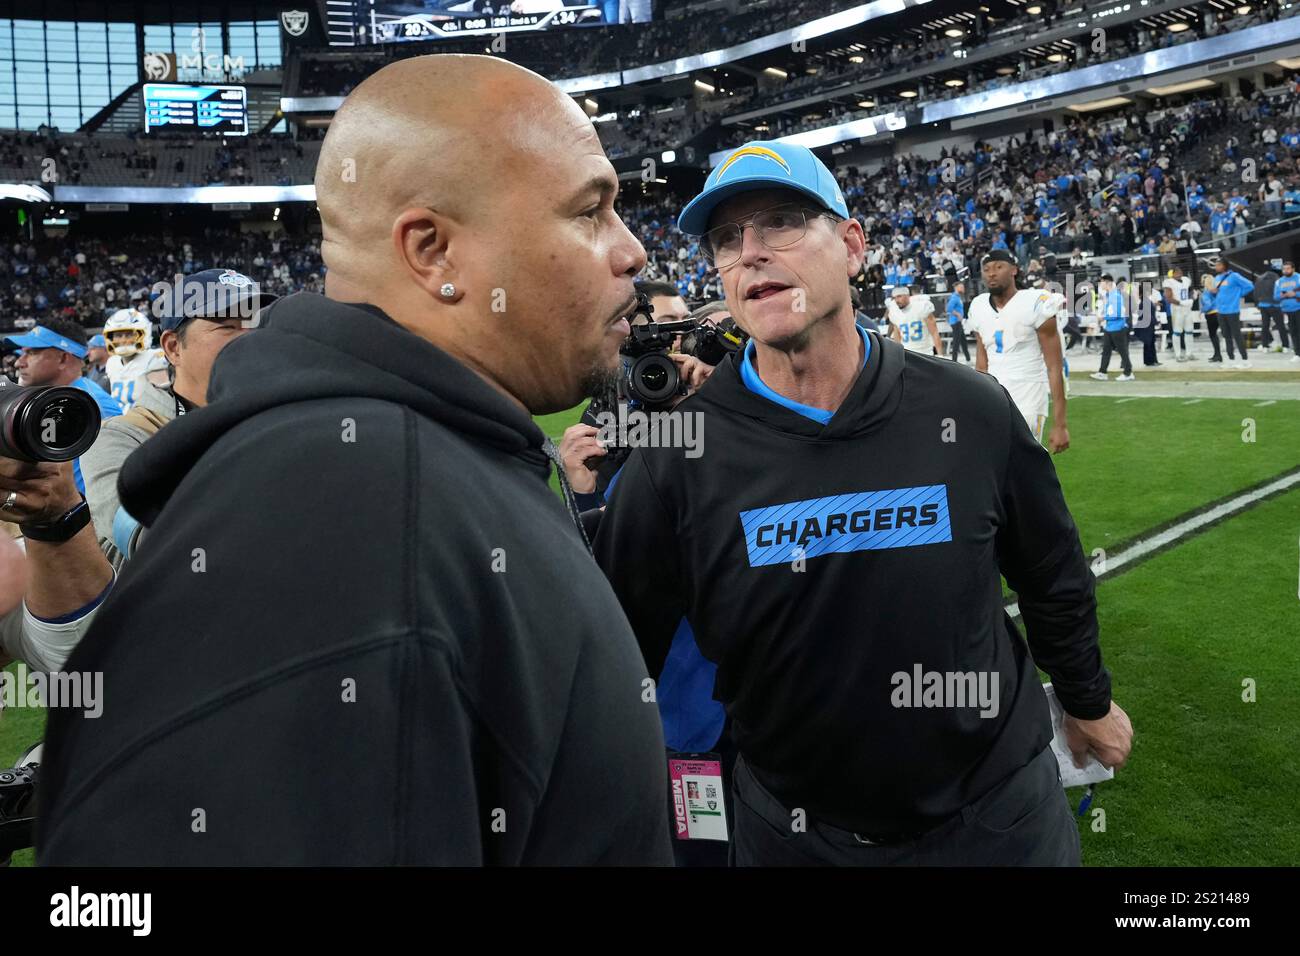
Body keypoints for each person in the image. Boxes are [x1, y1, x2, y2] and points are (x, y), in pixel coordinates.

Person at [38, 54, 673, 867]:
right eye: (591, 211)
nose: (633, 252)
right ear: (434, 252)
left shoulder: (424, 456)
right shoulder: (345, 505)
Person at [596, 139, 1131, 867]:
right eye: (727, 238)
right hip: (794, 836)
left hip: (998, 820)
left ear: (852, 246)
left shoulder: (969, 409)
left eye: (781, 222)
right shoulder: (677, 454)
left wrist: (1088, 699)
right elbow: (620, 653)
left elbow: (1052, 573)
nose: (749, 251)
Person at [82, 269, 274, 569]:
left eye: (257, 325)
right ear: (173, 347)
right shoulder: (118, 437)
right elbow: (148, 543)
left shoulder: (277, 420)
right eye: (228, 326)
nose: (250, 339)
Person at [966, 251, 1069, 452]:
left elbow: (1055, 367)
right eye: (986, 269)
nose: (991, 274)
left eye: (998, 267)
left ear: (1014, 270)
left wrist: (1060, 424)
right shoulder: (978, 306)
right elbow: (981, 363)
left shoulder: (1036, 302)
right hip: (993, 397)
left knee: (1024, 469)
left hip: (1028, 396)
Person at [4, 321, 123, 494]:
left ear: (63, 359)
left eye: (32, 352)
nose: (18, 363)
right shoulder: (58, 401)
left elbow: (113, 494)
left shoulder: (95, 408)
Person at [102, 307, 164, 411]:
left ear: (144, 333)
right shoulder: (112, 362)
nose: (123, 340)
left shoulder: (155, 358)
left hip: (146, 422)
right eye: (118, 335)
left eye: (129, 334)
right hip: (118, 421)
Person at [1090, 274, 1135, 381]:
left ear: (1107, 282)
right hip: (1109, 328)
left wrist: (1103, 318)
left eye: (1101, 282)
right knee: (1106, 351)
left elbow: (1118, 314)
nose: (1100, 285)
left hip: (1117, 328)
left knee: (1122, 351)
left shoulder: (1115, 296)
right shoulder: (1109, 295)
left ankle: (1128, 373)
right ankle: (1102, 372)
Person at [1210, 260, 1254, 367]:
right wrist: (1214, 292)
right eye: (1216, 265)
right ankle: (1231, 359)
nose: (1216, 267)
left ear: (1225, 266)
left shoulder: (1234, 276)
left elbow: (1250, 285)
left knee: (1237, 335)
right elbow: (1217, 292)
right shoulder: (1216, 278)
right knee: (1226, 336)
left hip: (1232, 310)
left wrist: (1238, 295)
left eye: (1219, 265)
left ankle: (1245, 360)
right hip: (1220, 311)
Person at [885, 284, 943, 355]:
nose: (897, 300)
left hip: (925, 352)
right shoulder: (894, 312)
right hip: (907, 353)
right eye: (895, 298)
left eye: (899, 296)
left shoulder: (922, 307)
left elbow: (934, 332)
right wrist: (898, 354)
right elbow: (897, 336)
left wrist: (940, 354)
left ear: (907, 296)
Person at [1162, 267, 1195, 362]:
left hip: (1187, 308)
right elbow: (1168, 298)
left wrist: (1192, 298)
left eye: (1180, 271)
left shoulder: (1186, 280)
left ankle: (1189, 353)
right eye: (1177, 272)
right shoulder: (1168, 282)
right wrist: (1181, 303)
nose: (1179, 273)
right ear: (1173, 274)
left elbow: (1191, 290)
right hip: (1177, 309)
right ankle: (1178, 354)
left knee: (1189, 331)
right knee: (1177, 332)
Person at [1254, 262, 1287, 353]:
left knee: (1265, 326)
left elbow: (1255, 292)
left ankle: (1265, 346)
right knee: (1281, 326)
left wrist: (1257, 304)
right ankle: (1285, 346)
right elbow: (1280, 292)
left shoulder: (1259, 278)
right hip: (1275, 305)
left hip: (1263, 305)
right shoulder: (1277, 279)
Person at [1273, 260, 1300, 363]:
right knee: (1293, 332)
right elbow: (1275, 296)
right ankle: (1297, 353)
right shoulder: (1279, 281)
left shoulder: (1299, 278)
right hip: (1287, 310)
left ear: (1293, 269)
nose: (1286, 270)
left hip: (1299, 308)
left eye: (1288, 268)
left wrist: (1295, 294)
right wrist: (1284, 295)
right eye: (1284, 269)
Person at [1199, 273, 1224, 363]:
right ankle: (1217, 354)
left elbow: (1208, 305)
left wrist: (1202, 310)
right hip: (1219, 313)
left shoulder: (1206, 292)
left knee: (1213, 335)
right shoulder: (1216, 291)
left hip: (1211, 314)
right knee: (1215, 335)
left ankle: (1218, 355)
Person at [945, 280, 969, 362]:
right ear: (956, 288)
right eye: (961, 287)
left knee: (963, 341)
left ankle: (968, 358)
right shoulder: (954, 297)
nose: (963, 288)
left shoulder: (958, 297)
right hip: (955, 322)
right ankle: (954, 360)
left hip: (958, 322)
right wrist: (958, 314)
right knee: (956, 342)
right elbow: (949, 308)